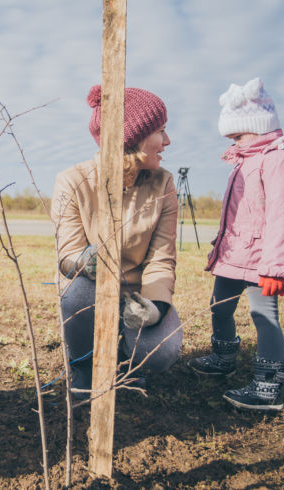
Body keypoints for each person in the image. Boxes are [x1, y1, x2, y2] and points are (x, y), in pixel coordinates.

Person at [51, 85, 182, 400]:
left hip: (136, 296)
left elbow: (161, 259)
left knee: (162, 352)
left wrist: (153, 308)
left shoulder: (163, 184)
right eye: (160, 131)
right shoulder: (73, 182)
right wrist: (83, 260)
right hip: (90, 291)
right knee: (78, 290)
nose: (167, 141)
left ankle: (121, 363)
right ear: (133, 136)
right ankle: (83, 369)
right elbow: (67, 255)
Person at [188, 77, 284, 412]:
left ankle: (268, 386)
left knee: (263, 315)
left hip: (261, 260)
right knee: (219, 306)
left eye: (237, 135)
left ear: (259, 127)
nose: (233, 142)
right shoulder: (245, 159)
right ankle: (224, 358)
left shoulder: (280, 159)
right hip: (234, 253)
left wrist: (276, 267)